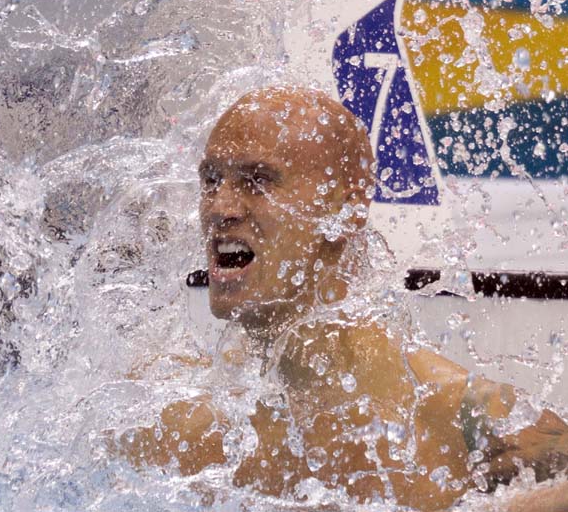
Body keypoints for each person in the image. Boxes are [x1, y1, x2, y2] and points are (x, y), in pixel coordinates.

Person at [117, 87, 568, 511]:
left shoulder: (469, 422)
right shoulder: (166, 417)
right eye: (212, 180)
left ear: (346, 211)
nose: (220, 207)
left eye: (257, 180)